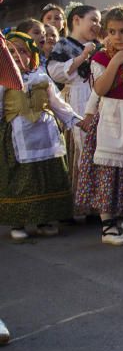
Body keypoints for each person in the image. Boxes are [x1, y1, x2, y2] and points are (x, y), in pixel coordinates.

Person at [77, 5, 123, 246]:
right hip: (111, 118)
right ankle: (109, 225)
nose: (118, 37)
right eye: (112, 31)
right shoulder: (101, 58)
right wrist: (115, 62)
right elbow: (100, 89)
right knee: (109, 172)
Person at [1, 30, 79, 240]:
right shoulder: (3, 82)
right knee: (20, 178)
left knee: (46, 176)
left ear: (32, 53)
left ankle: (45, 219)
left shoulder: (41, 77)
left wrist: (75, 121)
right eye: (10, 52)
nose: (17, 56)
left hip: (46, 133)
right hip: (17, 134)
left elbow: (57, 104)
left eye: (22, 51)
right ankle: (19, 222)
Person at [46, 4, 101, 210]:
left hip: (98, 99)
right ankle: (82, 205)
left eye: (99, 22)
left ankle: (100, 204)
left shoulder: (100, 46)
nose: (97, 25)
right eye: (93, 20)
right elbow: (56, 73)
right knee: (82, 147)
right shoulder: (63, 45)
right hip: (76, 98)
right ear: (77, 20)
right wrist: (82, 56)